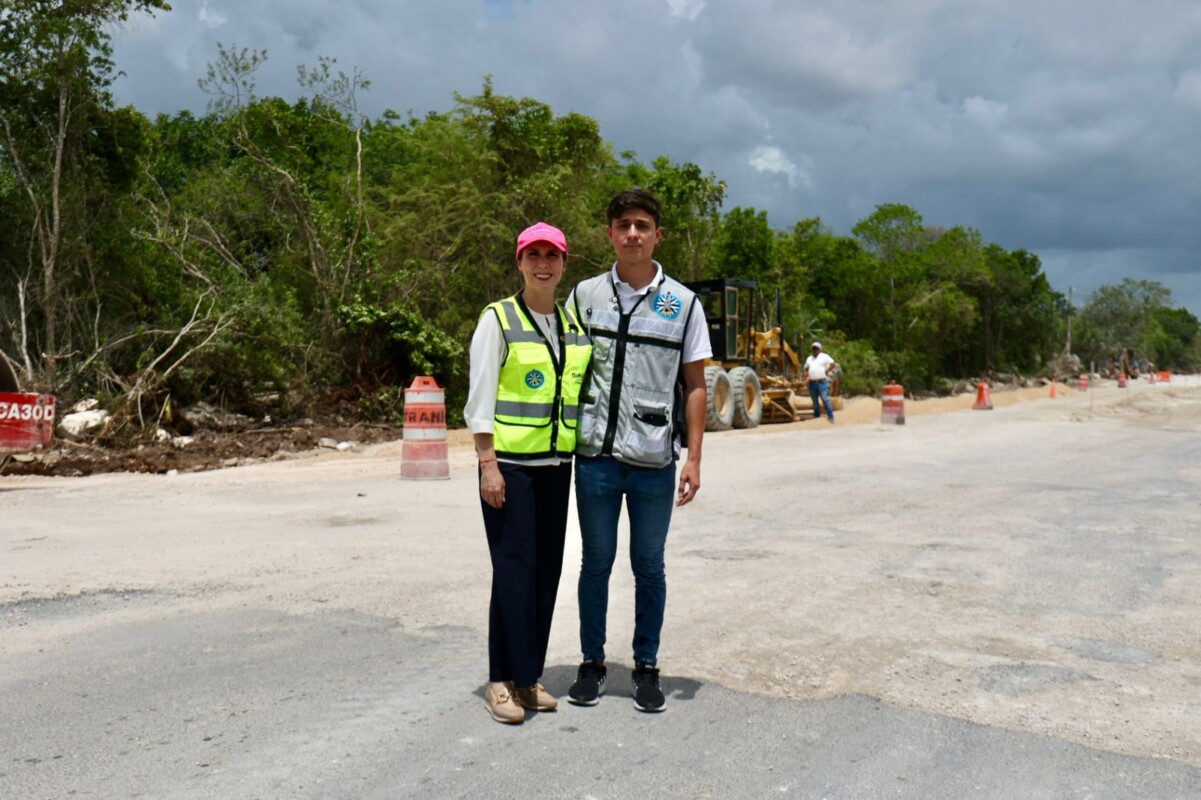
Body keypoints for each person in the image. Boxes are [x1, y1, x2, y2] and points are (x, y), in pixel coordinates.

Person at [564, 188, 710, 713]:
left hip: (653, 461)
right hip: (596, 459)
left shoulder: (684, 304)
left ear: (657, 235)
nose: (632, 234)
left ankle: (646, 667)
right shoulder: (583, 296)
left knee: (649, 564)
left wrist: (693, 457)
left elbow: (696, 385)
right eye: (623, 224)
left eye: (642, 225)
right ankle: (591, 664)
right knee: (595, 563)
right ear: (609, 233)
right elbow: (565, 372)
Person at [464, 222, 592, 725]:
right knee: (513, 574)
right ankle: (500, 681)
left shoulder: (572, 327)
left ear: (564, 263)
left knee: (545, 573)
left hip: (557, 468)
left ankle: (527, 677)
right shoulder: (498, 319)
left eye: (552, 255)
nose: (543, 263)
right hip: (510, 470)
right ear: (519, 262)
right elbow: (479, 400)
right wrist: (487, 466)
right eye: (533, 254)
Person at [804, 341, 838, 423]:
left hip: (821, 382)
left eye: (816, 348)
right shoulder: (809, 358)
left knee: (825, 399)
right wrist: (804, 377)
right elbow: (806, 368)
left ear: (820, 349)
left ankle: (831, 416)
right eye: (814, 348)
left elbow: (833, 364)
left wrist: (827, 371)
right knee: (814, 400)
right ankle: (817, 416)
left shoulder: (824, 356)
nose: (815, 350)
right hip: (812, 382)